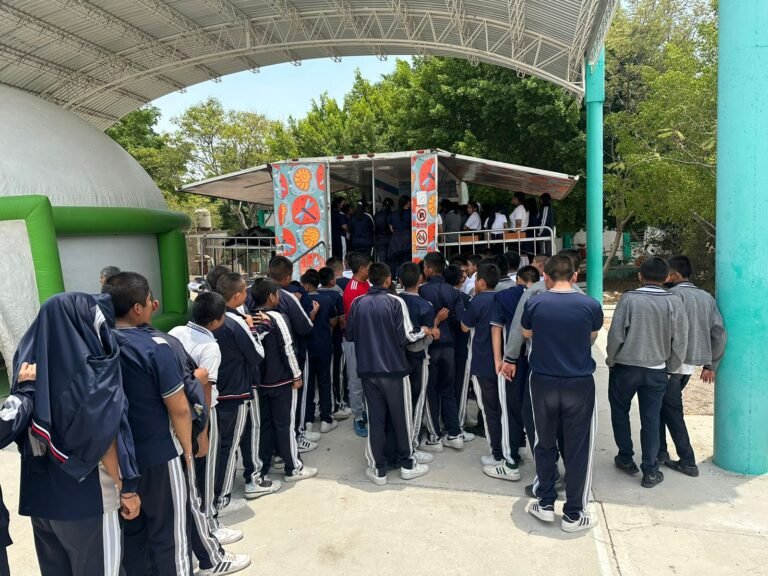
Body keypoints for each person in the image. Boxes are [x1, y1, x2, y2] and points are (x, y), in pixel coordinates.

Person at [12, 292, 139, 576]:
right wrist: (127, 490)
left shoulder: (25, 364)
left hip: (40, 498)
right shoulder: (91, 373)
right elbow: (102, 437)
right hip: (86, 498)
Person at [101, 273, 194, 574]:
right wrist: (189, 451)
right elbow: (179, 408)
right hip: (160, 455)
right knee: (170, 534)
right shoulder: (156, 345)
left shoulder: (98, 345)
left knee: (132, 536)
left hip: (117, 459)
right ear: (138, 308)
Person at [521, 255, 603, 532]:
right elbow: (592, 336)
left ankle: (545, 502)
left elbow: (526, 333)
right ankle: (573, 513)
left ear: (545, 276)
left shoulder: (534, 303)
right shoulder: (590, 305)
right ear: (575, 276)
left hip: (542, 382)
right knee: (578, 447)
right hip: (578, 383)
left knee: (544, 443)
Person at [168, 292, 247, 547]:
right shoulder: (210, 347)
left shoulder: (176, 331)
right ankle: (210, 524)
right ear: (216, 321)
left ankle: (193, 521)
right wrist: (204, 432)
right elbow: (206, 389)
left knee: (189, 472)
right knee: (207, 470)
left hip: (177, 411)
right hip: (202, 414)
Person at [606, 256, 689, 488]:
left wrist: (611, 360)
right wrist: (672, 367)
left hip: (625, 368)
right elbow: (680, 340)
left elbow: (615, 336)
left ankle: (625, 457)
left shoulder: (629, 299)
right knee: (651, 419)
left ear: (640, 276)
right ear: (666, 278)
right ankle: (650, 470)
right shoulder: (674, 301)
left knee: (620, 411)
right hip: (656, 370)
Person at [347, 262, 430, 485]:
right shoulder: (396, 301)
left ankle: (378, 468)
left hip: (367, 370)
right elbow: (406, 336)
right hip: (394, 370)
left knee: (376, 419)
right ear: (387, 280)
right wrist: (424, 330)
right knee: (401, 418)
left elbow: (350, 334)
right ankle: (407, 463)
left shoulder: (357, 302)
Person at [660, 256, 726, 477]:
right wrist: (711, 364)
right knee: (660, 406)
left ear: (675, 276)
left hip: (671, 365)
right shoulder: (706, 298)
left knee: (671, 410)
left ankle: (687, 460)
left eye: (666, 273)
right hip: (691, 364)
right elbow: (719, 334)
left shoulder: (671, 296)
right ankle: (660, 451)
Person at [250, 279, 319, 483]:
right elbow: (288, 348)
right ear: (271, 297)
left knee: (265, 425)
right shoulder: (277, 317)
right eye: (277, 294)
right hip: (281, 380)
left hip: (261, 382)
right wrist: (297, 375)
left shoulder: (251, 318)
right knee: (285, 425)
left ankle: (263, 466)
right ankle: (293, 467)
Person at [460, 260, 521, 482]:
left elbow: (465, 327)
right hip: (507, 363)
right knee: (508, 408)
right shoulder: (505, 298)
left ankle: (497, 454)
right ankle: (513, 448)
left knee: (490, 411)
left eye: (475, 279)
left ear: (482, 282)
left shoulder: (478, 301)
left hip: (484, 362)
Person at [209, 274, 265, 517]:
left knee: (220, 444)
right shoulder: (235, 322)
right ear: (237, 296)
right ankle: (222, 497)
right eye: (244, 292)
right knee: (230, 446)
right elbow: (256, 355)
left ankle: (216, 491)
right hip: (237, 390)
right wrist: (255, 330)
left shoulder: (207, 317)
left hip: (215, 391)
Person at [267, 256, 320, 448]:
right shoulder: (288, 297)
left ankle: (276, 445)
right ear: (288, 276)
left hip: (264, 360)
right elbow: (305, 326)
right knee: (295, 399)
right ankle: (297, 437)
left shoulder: (250, 293)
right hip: (293, 355)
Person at [419, 252, 467, 452]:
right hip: (449, 346)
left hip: (430, 346)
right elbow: (460, 321)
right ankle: (454, 433)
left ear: (428, 268)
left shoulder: (421, 291)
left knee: (431, 391)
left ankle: (434, 436)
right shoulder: (454, 292)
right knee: (448, 390)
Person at [399, 262, 444, 461]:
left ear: (399, 280)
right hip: (419, 357)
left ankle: (405, 440)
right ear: (420, 279)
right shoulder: (425, 306)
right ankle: (413, 445)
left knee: (404, 400)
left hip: (398, 358)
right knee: (417, 402)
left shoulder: (396, 301)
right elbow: (422, 339)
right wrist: (433, 333)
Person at [302, 269, 344, 433]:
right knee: (325, 381)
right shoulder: (326, 299)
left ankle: (308, 419)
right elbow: (334, 321)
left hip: (307, 348)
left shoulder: (300, 301)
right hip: (325, 345)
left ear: (305, 284)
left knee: (309, 383)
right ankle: (326, 417)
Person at [342, 251, 372, 437]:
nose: (370, 270)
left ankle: (364, 411)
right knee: (356, 380)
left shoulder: (365, 284)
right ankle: (358, 416)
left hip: (366, 339)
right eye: (369, 267)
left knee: (366, 378)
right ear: (362, 268)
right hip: (355, 340)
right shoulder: (352, 289)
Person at [317, 266, 352, 420]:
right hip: (336, 340)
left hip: (319, 341)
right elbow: (341, 320)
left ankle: (326, 405)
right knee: (337, 373)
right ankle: (338, 404)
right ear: (332, 280)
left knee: (324, 377)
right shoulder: (336, 295)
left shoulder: (314, 295)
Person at [444, 265, 472, 429]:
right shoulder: (465, 299)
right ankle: (458, 424)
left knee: (444, 387)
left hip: (441, 347)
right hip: (461, 348)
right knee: (460, 387)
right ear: (461, 280)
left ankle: (445, 420)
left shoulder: (434, 295)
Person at [388, 196, 412, 278]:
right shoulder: (411, 213)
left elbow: (391, 228)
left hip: (395, 240)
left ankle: (396, 278)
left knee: (396, 261)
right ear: (408, 203)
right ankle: (404, 279)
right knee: (406, 262)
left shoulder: (393, 214)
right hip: (407, 240)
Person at [374, 197, 394, 264]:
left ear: (383, 205)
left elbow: (373, 228)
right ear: (391, 206)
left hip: (379, 239)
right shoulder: (393, 215)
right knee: (390, 260)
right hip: (390, 239)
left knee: (382, 260)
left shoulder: (377, 215)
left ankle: (382, 273)